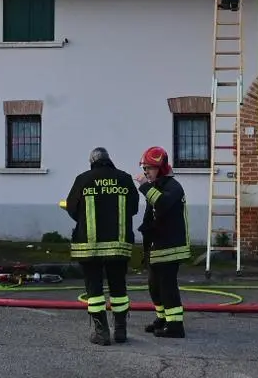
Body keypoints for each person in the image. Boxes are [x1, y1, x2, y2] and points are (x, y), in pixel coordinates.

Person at [63, 147, 140, 345]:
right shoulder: (124, 178)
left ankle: (101, 332)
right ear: (109, 160)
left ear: (92, 162)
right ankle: (121, 331)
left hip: (90, 247)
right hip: (118, 246)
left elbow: (72, 208)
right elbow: (133, 208)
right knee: (118, 287)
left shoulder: (83, 179)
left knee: (94, 288)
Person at [137, 146, 189, 338]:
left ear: (161, 168)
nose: (146, 172)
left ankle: (175, 326)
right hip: (157, 246)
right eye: (145, 168)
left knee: (167, 286)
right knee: (154, 285)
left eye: (149, 168)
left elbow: (162, 204)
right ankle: (163, 318)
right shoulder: (158, 186)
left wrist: (144, 186)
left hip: (171, 247)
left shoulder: (173, 187)